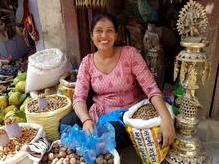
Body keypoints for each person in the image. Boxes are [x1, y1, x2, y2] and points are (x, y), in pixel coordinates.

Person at [60, 12, 175, 150]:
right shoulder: (87, 62)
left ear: (116, 35)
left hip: (126, 116)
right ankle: (92, 146)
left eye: (109, 31)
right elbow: (79, 98)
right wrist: (86, 120)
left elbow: (151, 88)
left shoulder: (130, 54)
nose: (104, 36)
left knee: (112, 134)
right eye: (99, 31)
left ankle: (96, 147)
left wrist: (166, 118)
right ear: (91, 35)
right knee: (66, 123)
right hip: (98, 114)